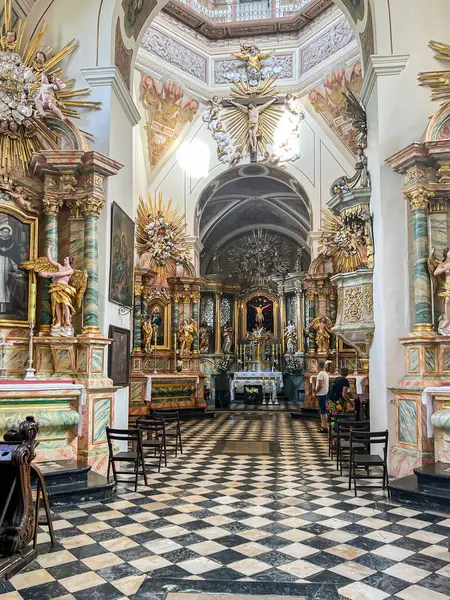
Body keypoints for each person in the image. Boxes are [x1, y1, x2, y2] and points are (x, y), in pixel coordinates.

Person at [315, 360, 329, 433]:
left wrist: (315, 392)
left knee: (323, 411)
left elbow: (320, 385)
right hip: (325, 393)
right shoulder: (325, 373)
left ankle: (324, 426)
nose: (316, 366)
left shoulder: (320, 374)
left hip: (321, 394)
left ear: (319, 366)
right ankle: (324, 425)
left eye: (317, 365)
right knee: (323, 411)